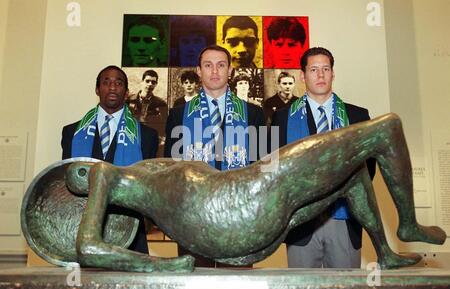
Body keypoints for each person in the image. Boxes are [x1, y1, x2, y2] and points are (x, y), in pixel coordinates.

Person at [67, 113, 447, 272]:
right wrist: (164, 265)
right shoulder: (106, 176)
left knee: (349, 175)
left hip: (236, 213)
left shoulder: (135, 178)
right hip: (240, 204)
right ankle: (408, 224)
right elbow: (88, 247)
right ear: (83, 180)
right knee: (386, 128)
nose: (89, 169)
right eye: (80, 172)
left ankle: (386, 254)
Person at [271, 47, 376, 268]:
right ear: (303, 75)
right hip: (301, 223)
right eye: (314, 69)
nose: (320, 75)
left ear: (333, 74)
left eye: (325, 69)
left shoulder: (358, 116)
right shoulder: (281, 118)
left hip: (344, 219)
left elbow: (369, 168)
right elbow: (271, 168)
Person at [164, 45, 265, 267]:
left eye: (221, 65)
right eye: (208, 65)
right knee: (196, 283)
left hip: (240, 214)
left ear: (230, 70)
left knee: (238, 284)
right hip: (192, 215)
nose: (215, 71)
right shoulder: (179, 114)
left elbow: (263, 169)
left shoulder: (254, 113)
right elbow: (171, 170)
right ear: (199, 71)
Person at [61, 65, 159, 255]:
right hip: (82, 228)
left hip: (130, 231)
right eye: (106, 82)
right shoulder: (72, 133)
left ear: (126, 92)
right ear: (97, 90)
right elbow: (68, 183)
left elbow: (148, 188)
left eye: (118, 83)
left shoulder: (147, 136)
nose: (112, 87)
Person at [128, 69, 168, 156]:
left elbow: (165, 126)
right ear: (142, 82)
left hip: (150, 143)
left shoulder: (161, 104)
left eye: (153, 82)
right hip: (131, 140)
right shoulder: (129, 100)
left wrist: (161, 141)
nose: (150, 84)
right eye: (147, 81)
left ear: (156, 84)